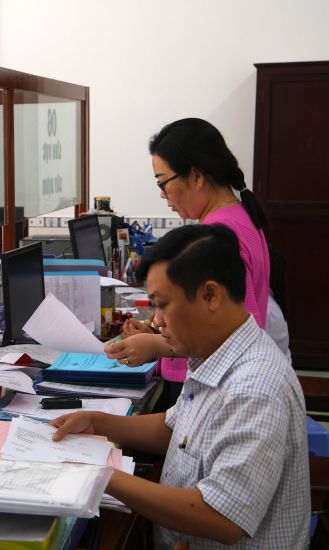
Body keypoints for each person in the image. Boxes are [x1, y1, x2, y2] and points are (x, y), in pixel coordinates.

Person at [53, 224, 309, 548]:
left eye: (162, 304)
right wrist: (99, 422)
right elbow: (177, 429)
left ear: (210, 295)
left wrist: (101, 476)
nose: (157, 321)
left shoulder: (255, 389)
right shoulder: (213, 352)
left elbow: (223, 517)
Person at [106, 118, 273, 407]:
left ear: (195, 176)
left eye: (163, 183)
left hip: (211, 390)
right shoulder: (238, 217)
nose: (162, 193)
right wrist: (163, 330)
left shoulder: (219, 235)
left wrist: (156, 346)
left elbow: (239, 332)